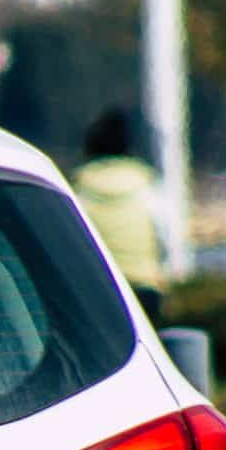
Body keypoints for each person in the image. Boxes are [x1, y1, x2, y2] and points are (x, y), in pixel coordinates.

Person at [72, 108, 169, 321]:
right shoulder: (145, 184)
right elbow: (165, 236)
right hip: (144, 287)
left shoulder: (81, 187)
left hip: (98, 288)